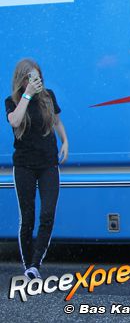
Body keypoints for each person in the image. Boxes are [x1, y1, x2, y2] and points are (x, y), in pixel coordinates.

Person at [6, 59, 68, 279]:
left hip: (48, 163)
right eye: (30, 77)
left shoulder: (48, 96)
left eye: (37, 76)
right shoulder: (12, 101)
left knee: (47, 214)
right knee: (27, 217)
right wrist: (27, 95)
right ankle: (28, 265)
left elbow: (57, 122)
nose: (35, 80)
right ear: (21, 79)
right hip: (24, 165)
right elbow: (15, 121)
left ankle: (35, 264)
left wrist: (65, 141)